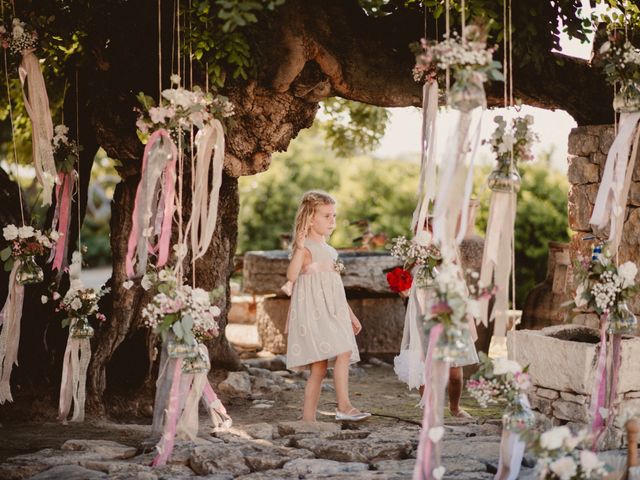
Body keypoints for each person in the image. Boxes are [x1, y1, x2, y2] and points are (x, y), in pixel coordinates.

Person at [281, 190, 370, 422]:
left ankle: (309, 418)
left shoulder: (330, 250)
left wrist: (351, 315)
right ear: (311, 218)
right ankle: (342, 408)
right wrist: (299, 248)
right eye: (327, 216)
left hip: (334, 310)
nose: (333, 221)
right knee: (329, 360)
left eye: (334, 216)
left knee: (330, 360)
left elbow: (336, 288)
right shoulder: (306, 248)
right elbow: (291, 276)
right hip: (314, 312)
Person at [393, 220, 478, 418]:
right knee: (424, 365)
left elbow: (460, 283)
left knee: (455, 373)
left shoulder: (447, 252)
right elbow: (406, 285)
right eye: (420, 230)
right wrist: (403, 289)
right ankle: (429, 410)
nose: (424, 234)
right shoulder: (414, 257)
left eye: (428, 229)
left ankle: (455, 407)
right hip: (424, 317)